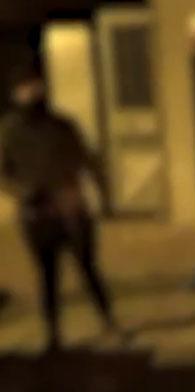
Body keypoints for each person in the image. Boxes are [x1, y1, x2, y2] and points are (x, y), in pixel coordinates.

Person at [0, 65, 117, 351]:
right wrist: (22, 191)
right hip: (36, 212)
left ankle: (108, 321)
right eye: (26, 88)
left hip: (70, 208)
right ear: (16, 93)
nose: (32, 93)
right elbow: (3, 173)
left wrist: (101, 194)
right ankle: (53, 333)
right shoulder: (9, 131)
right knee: (48, 274)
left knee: (87, 267)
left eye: (36, 87)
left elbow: (87, 158)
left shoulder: (62, 125)